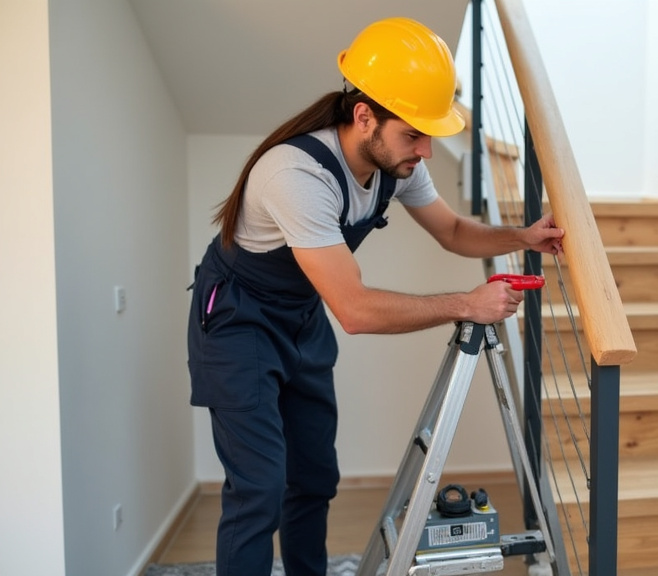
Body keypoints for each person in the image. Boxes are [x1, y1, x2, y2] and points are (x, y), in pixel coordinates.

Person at [186, 16, 564, 576]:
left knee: (313, 476)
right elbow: (356, 310)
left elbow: (454, 231)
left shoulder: (396, 163)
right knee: (259, 487)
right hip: (239, 323)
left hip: (301, 316)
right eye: (415, 134)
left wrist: (524, 236)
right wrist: (465, 303)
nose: (427, 152)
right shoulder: (294, 174)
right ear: (365, 117)